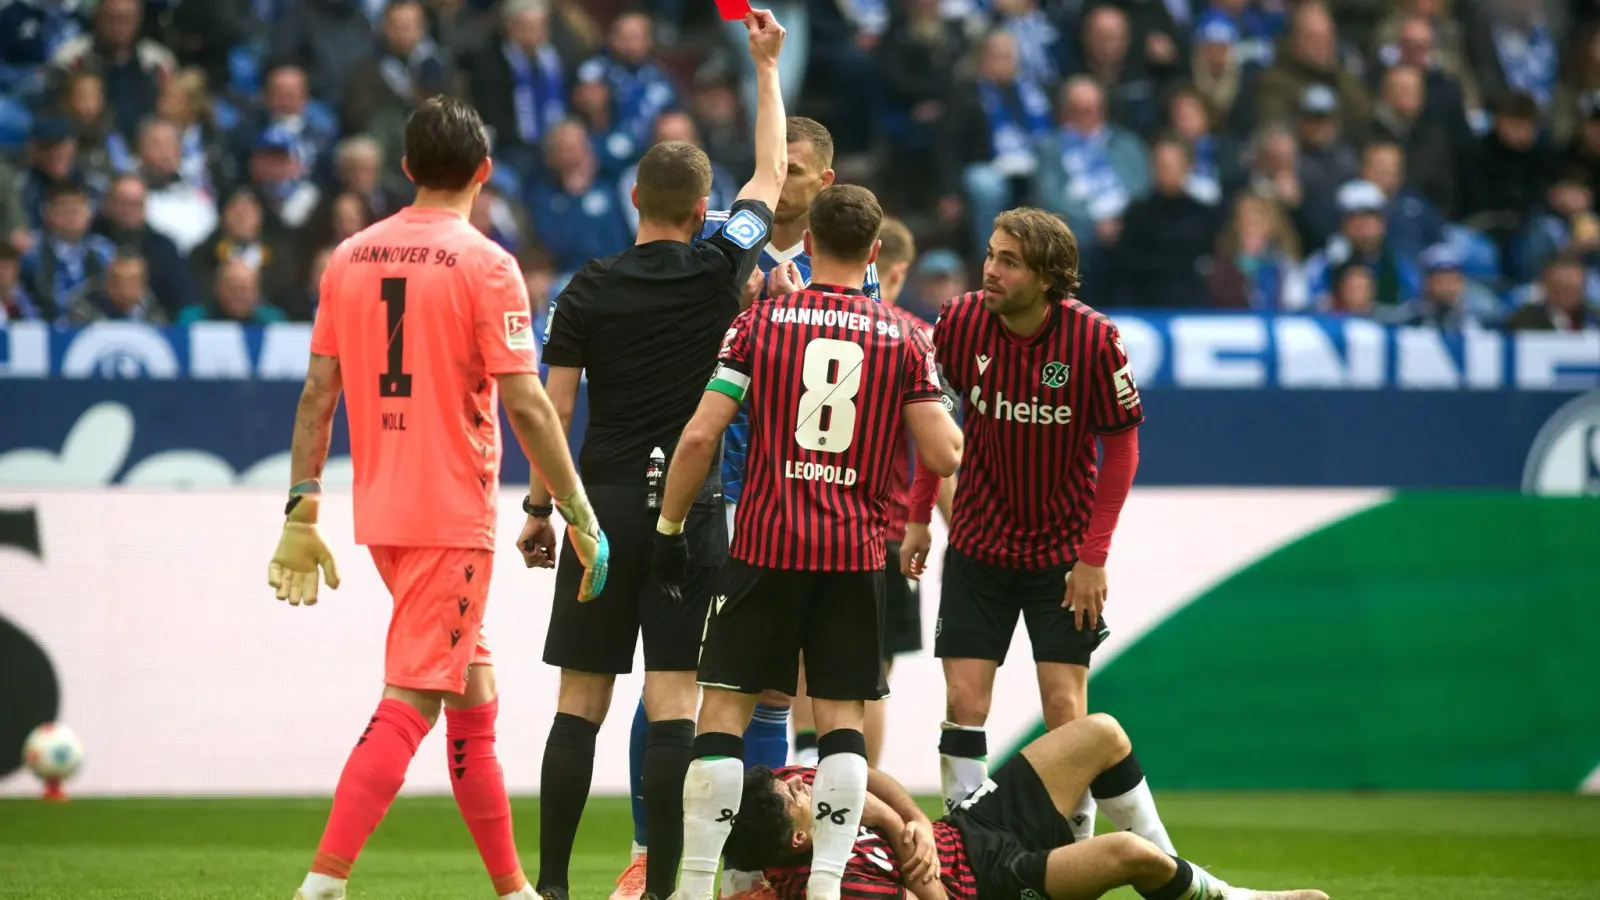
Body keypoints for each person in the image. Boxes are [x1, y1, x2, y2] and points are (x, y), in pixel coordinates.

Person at [266, 96, 608, 900]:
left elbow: (318, 393)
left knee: (473, 699)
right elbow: (527, 403)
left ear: (407, 168)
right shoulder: (487, 264)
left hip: (383, 510)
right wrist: (577, 510)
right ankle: (323, 882)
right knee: (414, 698)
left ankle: (514, 890)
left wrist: (302, 506)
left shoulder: (348, 257)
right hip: (452, 513)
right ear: (484, 171)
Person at [526, 12, 789, 900]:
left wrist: (540, 510)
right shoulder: (720, 268)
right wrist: (764, 68)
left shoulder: (585, 288)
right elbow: (771, 174)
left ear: (635, 198)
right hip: (688, 508)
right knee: (675, 701)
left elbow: (554, 411)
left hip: (597, 510)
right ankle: (670, 886)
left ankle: (552, 887)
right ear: (703, 209)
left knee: (580, 705)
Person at [650, 183, 964, 900]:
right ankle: (825, 886)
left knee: (722, 713)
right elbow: (944, 454)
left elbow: (699, 436)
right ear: (876, 252)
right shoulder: (904, 337)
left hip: (764, 545)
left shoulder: (759, 324)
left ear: (810, 241)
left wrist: (670, 528)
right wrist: (928, 390)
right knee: (841, 724)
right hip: (852, 554)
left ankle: (694, 886)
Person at [616, 114, 885, 900]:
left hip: (784, 502)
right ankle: (647, 851)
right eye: (775, 164)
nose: (781, 178)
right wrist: (748, 308)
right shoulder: (720, 248)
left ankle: (746, 865)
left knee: (770, 687)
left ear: (824, 183)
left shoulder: (854, 278)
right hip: (710, 486)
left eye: (795, 168)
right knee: (677, 677)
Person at [900, 208, 1144, 843]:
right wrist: (920, 516)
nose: (990, 270)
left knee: (1065, 709)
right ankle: (967, 850)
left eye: (1008, 262)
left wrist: (1093, 557)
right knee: (965, 704)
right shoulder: (959, 323)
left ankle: (1076, 853)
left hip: (1062, 557)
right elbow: (930, 420)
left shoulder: (1095, 340)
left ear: (1047, 278)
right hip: (978, 544)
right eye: (990, 254)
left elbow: (1121, 448)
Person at [724, 713, 1327, 900]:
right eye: (794, 796)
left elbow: (866, 776)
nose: (802, 785)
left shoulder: (807, 793)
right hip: (993, 883)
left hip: (971, 826)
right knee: (1126, 854)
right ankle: (1238, 898)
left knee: (1101, 734)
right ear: (799, 840)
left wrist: (909, 821)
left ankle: (1179, 878)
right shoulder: (836, 891)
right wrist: (919, 872)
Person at [791, 218, 953, 770]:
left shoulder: (799, 321)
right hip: (879, 532)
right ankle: (856, 799)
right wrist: (960, 536)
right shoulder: (912, 336)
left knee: (804, 667)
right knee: (869, 679)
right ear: (894, 267)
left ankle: (804, 781)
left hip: (798, 521)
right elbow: (938, 453)